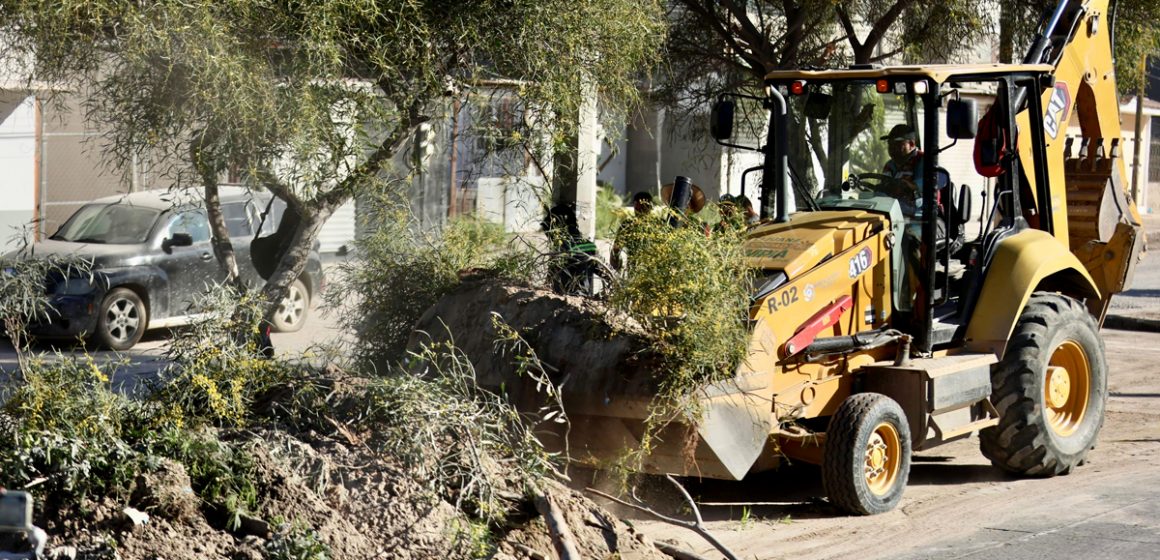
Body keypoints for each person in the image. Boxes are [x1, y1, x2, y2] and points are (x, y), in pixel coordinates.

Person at [611, 191, 654, 271]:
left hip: (653, 272)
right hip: (635, 272)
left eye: (644, 206)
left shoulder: (656, 225)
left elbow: (615, 250)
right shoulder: (627, 225)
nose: (641, 209)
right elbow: (616, 249)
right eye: (639, 206)